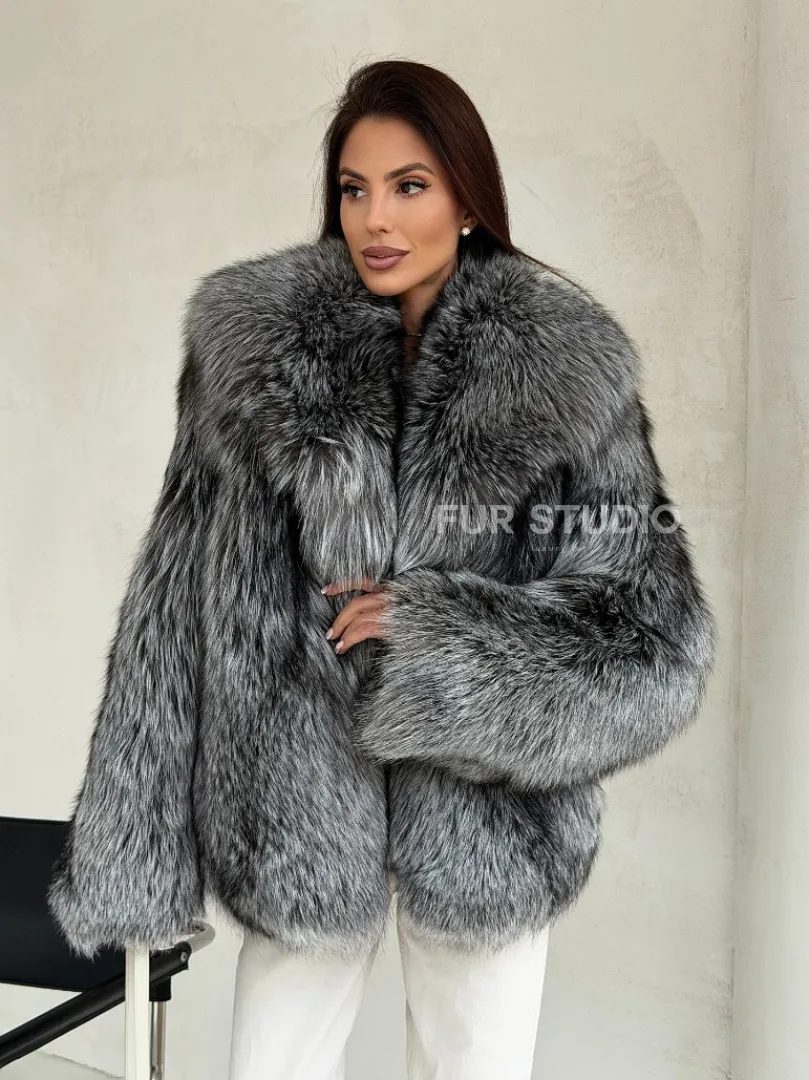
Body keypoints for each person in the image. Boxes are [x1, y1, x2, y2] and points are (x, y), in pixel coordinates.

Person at [47, 60, 717, 1080]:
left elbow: (648, 639)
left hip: (489, 827)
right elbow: (166, 610)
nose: (376, 218)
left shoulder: (567, 377)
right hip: (291, 813)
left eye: (409, 185)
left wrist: (439, 643)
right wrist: (133, 854)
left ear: (466, 198)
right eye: (353, 188)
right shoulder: (249, 358)